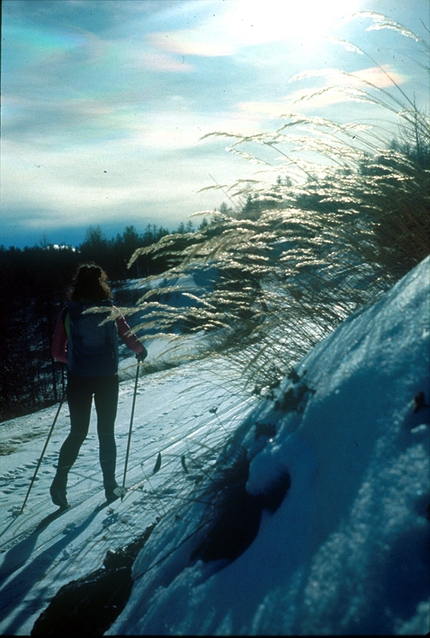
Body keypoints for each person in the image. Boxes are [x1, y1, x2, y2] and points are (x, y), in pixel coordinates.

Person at [50, 262, 147, 508]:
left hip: (78, 379)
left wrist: (73, 360)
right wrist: (140, 351)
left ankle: (60, 482)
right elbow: (128, 337)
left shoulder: (68, 312)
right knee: (106, 433)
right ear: (101, 284)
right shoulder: (110, 309)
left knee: (77, 432)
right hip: (106, 379)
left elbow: (56, 352)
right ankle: (110, 487)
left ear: (77, 285)